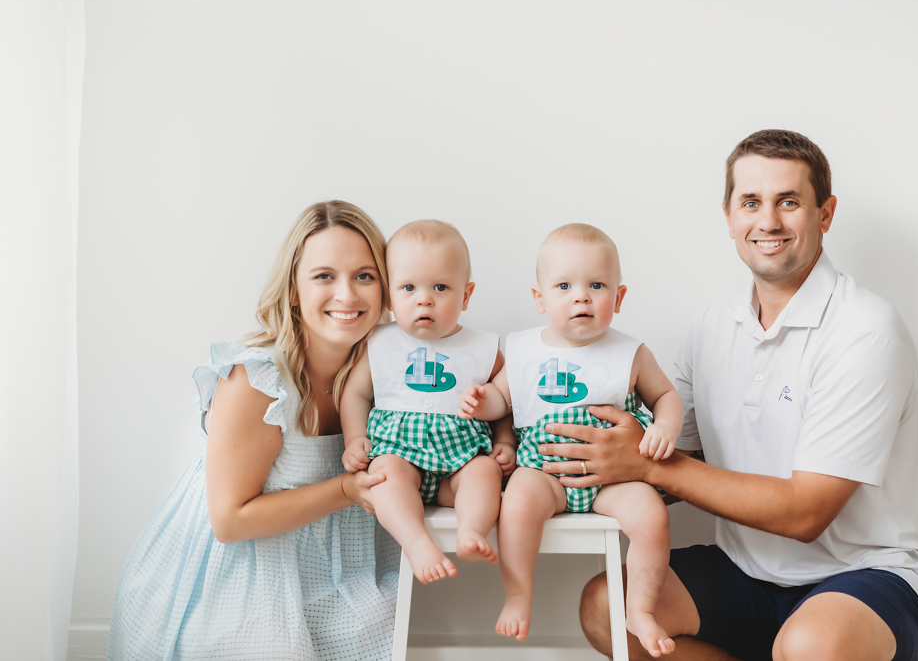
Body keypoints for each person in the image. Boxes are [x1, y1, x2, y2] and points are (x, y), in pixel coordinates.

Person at [541, 131, 918, 661]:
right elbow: (671, 455)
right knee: (608, 608)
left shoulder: (865, 331)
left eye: (789, 202)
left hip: (873, 574)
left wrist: (647, 469)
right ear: (729, 217)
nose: (768, 221)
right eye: (751, 203)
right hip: (749, 572)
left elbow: (806, 513)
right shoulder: (711, 328)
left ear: (824, 214)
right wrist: (546, 466)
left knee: (810, 647)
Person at [108, 201, 401, 661]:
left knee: (399, 621)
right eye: (324, 276)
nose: (347, 295)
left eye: (365, 276)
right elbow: (229, 521)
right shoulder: (257, 379)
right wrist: (346, 489)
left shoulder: (385, 370)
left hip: (336, 561)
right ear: (294, 290)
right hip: (237, 568)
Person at [460, 223, 684, 657]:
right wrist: (481, 400)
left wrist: (664, 427)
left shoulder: (630, 352)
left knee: (652, 516)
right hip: (544, 471)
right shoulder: (524, 349)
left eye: (596, 285)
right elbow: (502, 399)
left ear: (617, 299)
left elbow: (667, 395)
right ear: (540, 298)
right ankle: (518, 593)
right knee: (519, 504)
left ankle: (640, 607)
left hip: (612, 479)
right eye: (564, 285)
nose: (581, 296)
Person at [340, 220, 515, 585]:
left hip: (459, 462)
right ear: (389, 296)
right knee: (384, 477)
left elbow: (503, 401)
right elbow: (356, 393)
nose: (425, 299)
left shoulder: (482, 348)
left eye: (440, 287)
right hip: (401, 455)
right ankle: (416, 543)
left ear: (466, 296)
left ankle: (471, 530)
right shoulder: (380, 343)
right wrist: (355, 439)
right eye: (408, 287)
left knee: (485, 472)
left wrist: (504, 441)